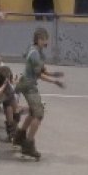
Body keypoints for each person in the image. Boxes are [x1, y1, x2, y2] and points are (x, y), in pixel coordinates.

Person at [12, 27, 64, 161]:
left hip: (27, 83)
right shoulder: (35, 54)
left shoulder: (34, 49)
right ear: (39, 40)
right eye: (45, 39)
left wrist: (53, 74)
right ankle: (28, 145)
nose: (47, 42)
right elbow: (39, 74)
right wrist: (54, 81)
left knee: (32, 112)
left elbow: (41, 69)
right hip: (29, 86)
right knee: (39, 114)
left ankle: (19, 137)